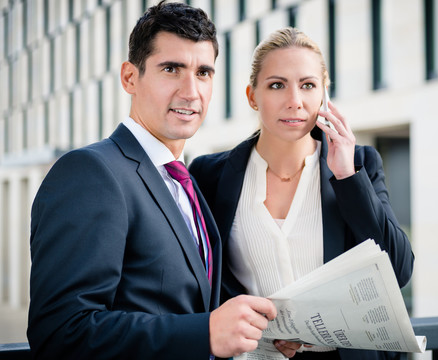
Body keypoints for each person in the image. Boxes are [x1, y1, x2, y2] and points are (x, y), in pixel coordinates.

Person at [27, 2, 290, 359]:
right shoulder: (91, 173)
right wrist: (205, 332)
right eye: (171, 69)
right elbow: (61, 332)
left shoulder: (188, 181)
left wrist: (259, 332)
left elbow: (183, 306)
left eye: (203, 73)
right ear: (130, 78)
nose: (191, 91)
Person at [189, 27, 415, 360]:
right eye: (277, 85)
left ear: (324, 93)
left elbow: (399, 269)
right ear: (253, 95)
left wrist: (346, 175)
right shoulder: (210, 174)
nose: (294, 101)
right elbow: (203, 279)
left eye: (308, 85)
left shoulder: (360, 164)